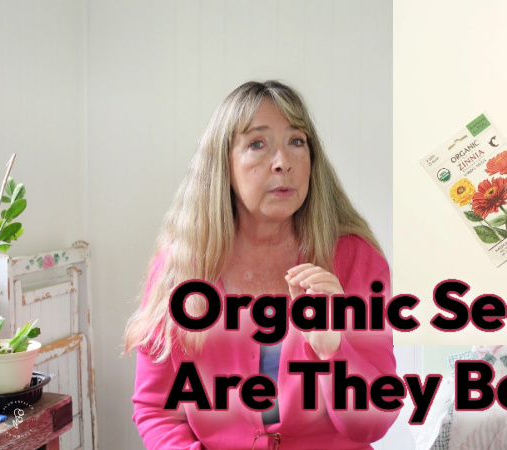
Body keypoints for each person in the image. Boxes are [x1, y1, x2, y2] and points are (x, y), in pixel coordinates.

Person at [124, 80, 397, 449]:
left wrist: (332, 350)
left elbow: (372, 425)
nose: (283, 162)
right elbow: (157, 409)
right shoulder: (181, 265)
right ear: (224, 164)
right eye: (257, 144)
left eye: (296, 141)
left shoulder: (356, 259)